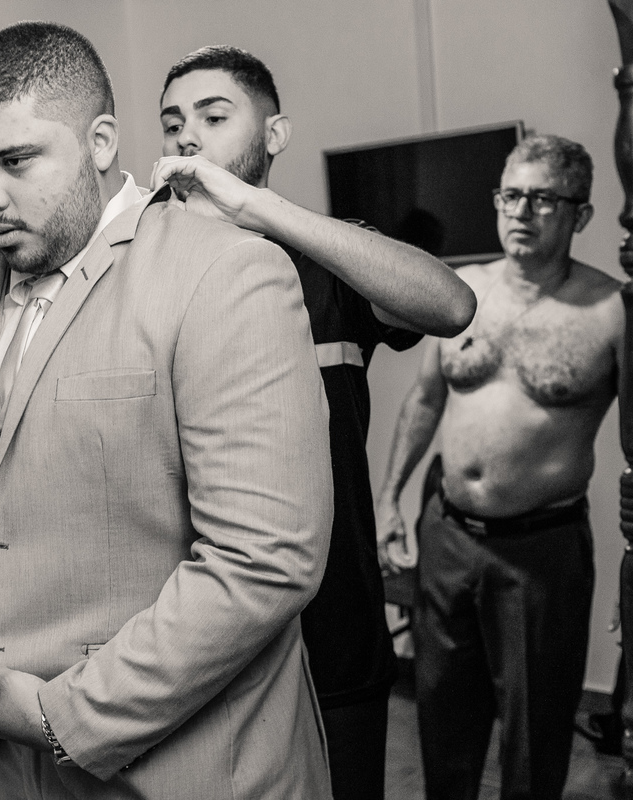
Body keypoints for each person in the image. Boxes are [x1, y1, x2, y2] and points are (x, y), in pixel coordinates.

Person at [0, 21, 335, 799]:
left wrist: (66, 715)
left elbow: (262, 561)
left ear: (100, 142)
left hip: (197, 770)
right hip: (14, 766)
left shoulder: (228, 273)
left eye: (16, 161)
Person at [151, 45, 476, 800]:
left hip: (335, 624)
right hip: (196, 637)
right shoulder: (148, 269)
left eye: (213, 116)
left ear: (275, 135)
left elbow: (451, 304)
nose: (187, 136)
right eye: (172, 123)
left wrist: (256, 209)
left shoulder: (327, 260)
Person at [375, 134, 624, 800]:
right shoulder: (463, 293)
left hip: (542, 550)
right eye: (510, 195)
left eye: (542, 199)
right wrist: (390, 496)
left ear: (580, 214)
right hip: (448, 536)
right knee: (442, 716)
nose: (521, 211)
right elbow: (425, 399)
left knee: (534, 731)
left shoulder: (611, 310)